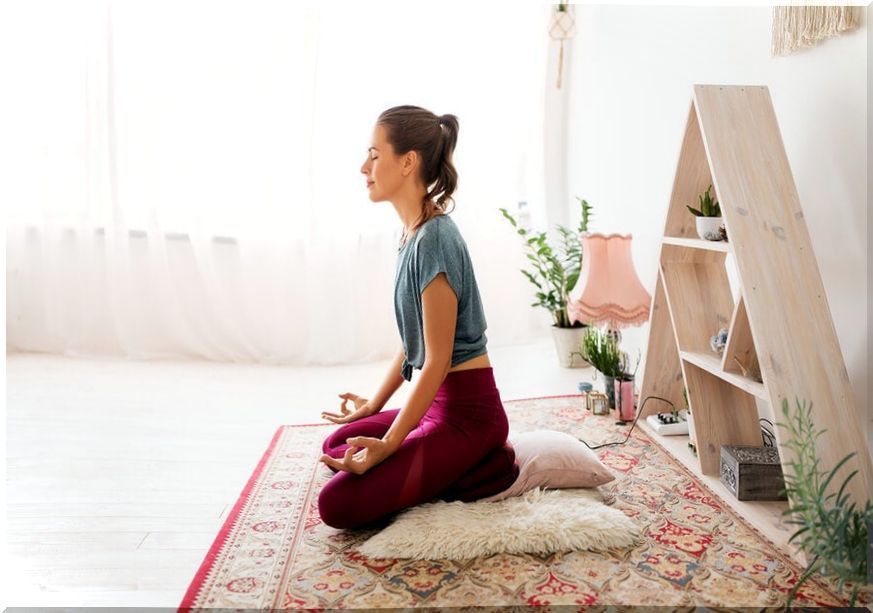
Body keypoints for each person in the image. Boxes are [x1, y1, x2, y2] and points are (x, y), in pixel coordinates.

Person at [317, 105, 519, 530]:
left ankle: (484, 461)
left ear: (408, 162)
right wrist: (372, 406)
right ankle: (447, 462)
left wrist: (391, 444)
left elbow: (439, 359)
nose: (363, 167)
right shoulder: (412, 234)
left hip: (469, 416)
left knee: (336, 506)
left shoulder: (436, 239)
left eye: (374, 155)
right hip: (433, 407)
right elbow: (415, 347)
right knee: (338, 444)